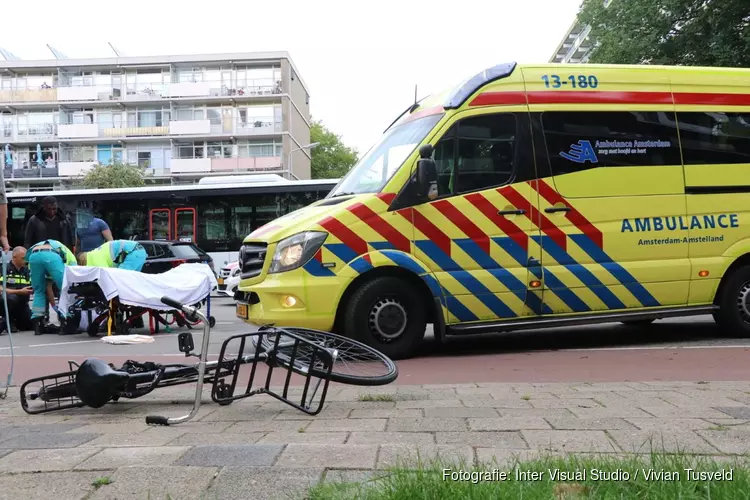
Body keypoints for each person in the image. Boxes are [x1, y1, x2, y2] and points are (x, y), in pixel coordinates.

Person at [26, 239, 77, 335]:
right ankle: (65, 324)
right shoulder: (72, 259)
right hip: (52, 255)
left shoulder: (59, 250)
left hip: (33, 256)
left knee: (39, 291)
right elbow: (72, 279)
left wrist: (54, 305)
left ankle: (38, 325)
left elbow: (47, 286)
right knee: (65, 289)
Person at [0, 246, 33, 333]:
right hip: (8, 301)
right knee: (10, 298)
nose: (25, 260)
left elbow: (31, 285)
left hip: (22, 303)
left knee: (31, 324)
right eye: (23, 258)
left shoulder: (27, 270)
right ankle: (8, 321)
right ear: (14, 257)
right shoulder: (4, 269)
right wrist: (18, 291)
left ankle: (17, 322)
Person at [77, 240, 147, 272]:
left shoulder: (94, 258)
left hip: (132, 252)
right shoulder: (95, 253)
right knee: (132, 280)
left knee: (121, 278)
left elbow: (106, 274)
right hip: (139, 251)